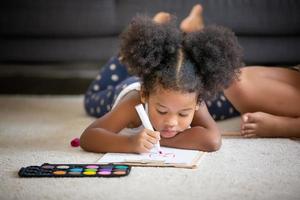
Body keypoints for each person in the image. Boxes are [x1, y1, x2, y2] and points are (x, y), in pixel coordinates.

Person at [80, 5, 243, 153]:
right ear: (145, 94)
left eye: (183, 113)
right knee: (91, 100)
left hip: (167, 88)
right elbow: (89, 137)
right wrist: (130, 142)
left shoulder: (193, 94)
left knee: (229, 106)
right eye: (162, 111)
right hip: (123, 89)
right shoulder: (134, 102)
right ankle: (136, 44)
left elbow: (213, 140)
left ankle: (192, 32)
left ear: (198, 101)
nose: (171, 122)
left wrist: (157, 140)